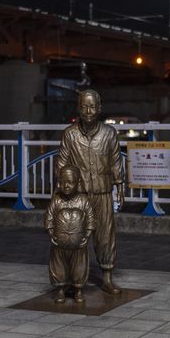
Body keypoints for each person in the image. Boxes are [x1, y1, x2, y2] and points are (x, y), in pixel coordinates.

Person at [56, 89, 124, 294]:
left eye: (92, 106)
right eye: (84, 106)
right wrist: (60, 190)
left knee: (105, 235)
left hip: (103, 191)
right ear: (79, 108)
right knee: (75, 235)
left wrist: (120, 185)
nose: (88, 110)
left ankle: (107, 277)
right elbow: (62, 163)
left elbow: (115, 161)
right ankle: (74, 279)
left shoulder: (109, 133)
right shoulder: (70, 134)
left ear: (100, 108)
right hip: (79, 194)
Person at [45, 165, 95, 303]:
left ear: (78, 183)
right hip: (59, 243)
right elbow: (49, 219)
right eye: (62, 182)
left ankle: (78, 290)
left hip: (79, 243)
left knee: (79, 266)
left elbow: (90, 218)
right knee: (58, 266)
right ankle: (60, 290)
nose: (66, 185)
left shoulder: (83, 201)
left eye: (70, 182)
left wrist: (88, 235)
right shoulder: (56, 200)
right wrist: (50, 233)